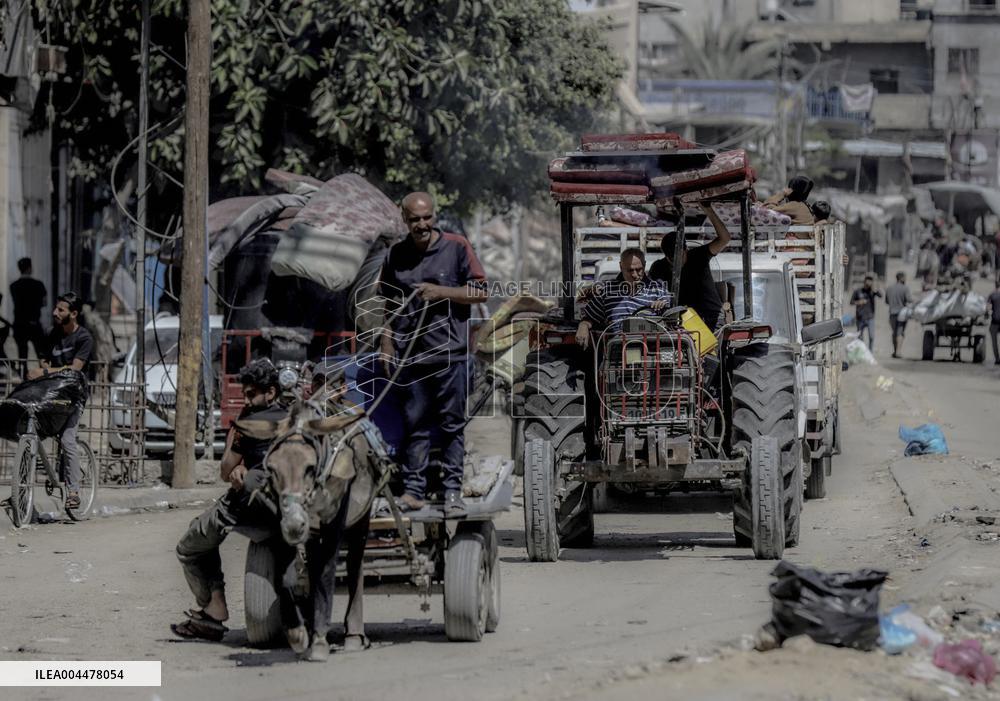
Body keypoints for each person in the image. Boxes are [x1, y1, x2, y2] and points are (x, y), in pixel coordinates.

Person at [378, 191, 488, 515]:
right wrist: (386, 344)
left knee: (452, 425)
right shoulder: (395, 254)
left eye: (427, 218)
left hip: (451, 355)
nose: (422, 225)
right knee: (415, 424)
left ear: (434, 216)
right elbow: (389, 305)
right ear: (404, 220)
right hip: (412, 356)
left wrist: (442, 292)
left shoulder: (456, 247)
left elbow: (481, 291)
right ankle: (414, 491)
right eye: (415, 219)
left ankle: (452, 491)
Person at [173, 359, 288, 642]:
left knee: (190, 546)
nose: (246, 399)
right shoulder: (292, 418)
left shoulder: (248, 421)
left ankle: (214, 609)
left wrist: (234, 440)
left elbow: (225, 470)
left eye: (251, 394)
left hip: (249, 504)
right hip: (288, 505)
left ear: (270, 392)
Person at [26, 292, 93, 509]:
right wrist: (43, 371)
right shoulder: (51, 334)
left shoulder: (84, 338)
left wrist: (45, 372)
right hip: (51, 394)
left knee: (67, 439)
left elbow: (75, 370)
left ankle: (73, 492)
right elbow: (44, 360)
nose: (55, 313)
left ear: (73, 314)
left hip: (74, 396)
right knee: (31, 430)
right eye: (56, 308)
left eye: (61, 310)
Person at [648, 203, 731, 330]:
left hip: (710, 318)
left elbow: (724, 239)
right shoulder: (658, 267)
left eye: (679, 256)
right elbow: (652, 291)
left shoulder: (699, 256)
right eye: (671, 258)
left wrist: (708, 210)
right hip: (679, 321)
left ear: (686, 250)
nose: (675, 261)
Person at [576, 248, 672, 347]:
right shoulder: (607, 290)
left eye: (639, 269)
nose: (635, 275)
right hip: (617, 352)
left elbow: (671, 316)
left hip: (651, 352)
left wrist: (663, 305)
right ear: (621, 267)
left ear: (644, 264)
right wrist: (583, 326)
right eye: (630, 270)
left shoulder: (658, 289)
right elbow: (590, 317)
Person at [10, 257, 48, 363]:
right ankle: (44, 376)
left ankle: (24, 376)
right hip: (34, 323)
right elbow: (44, 303)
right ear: (29, 268)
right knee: (41, 354)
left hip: (19, 324)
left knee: (22, 355)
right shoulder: (39, 285)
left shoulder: (13, 286)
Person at [850, 275, 882, 352]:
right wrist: (858, 302)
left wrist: (875, 290)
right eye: (867, 281)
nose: (869, 283)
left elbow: (880, 296)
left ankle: (870, 351)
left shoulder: (872, 292)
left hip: (870, 317)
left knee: (871, 336)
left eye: (870, 282)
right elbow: (851, 302)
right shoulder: (858, 291)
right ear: (864, 282)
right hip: (860, 318)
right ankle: (862, 351)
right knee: (860, 337)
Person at [886, 271, 913, 359]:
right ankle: (898, 352)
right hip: (901, 313)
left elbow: (886, 301)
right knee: (900, 332)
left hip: (892, 313)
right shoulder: (905, 288)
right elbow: (909, 300)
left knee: (894, 332)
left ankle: (895, 351)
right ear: (901, 278)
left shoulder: (889, 288)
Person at [988, 281, 1000, 365]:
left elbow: (988, 308)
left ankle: (997, 359)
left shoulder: (992, 295)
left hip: (994, 321)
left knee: (994, 342)